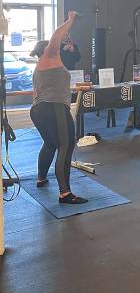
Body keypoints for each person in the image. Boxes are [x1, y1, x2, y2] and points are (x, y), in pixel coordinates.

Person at [29, 11, 87, 204]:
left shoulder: (39, 69)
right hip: (53, 108)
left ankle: (41, 177)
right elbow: (56, 37)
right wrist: (70, 20)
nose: (58, 47)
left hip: (40, 109)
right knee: (66, 144)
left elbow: (36, 95)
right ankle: (65, 193)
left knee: (51, 143)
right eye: (54, 47)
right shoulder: (49, 56)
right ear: (45, 50)